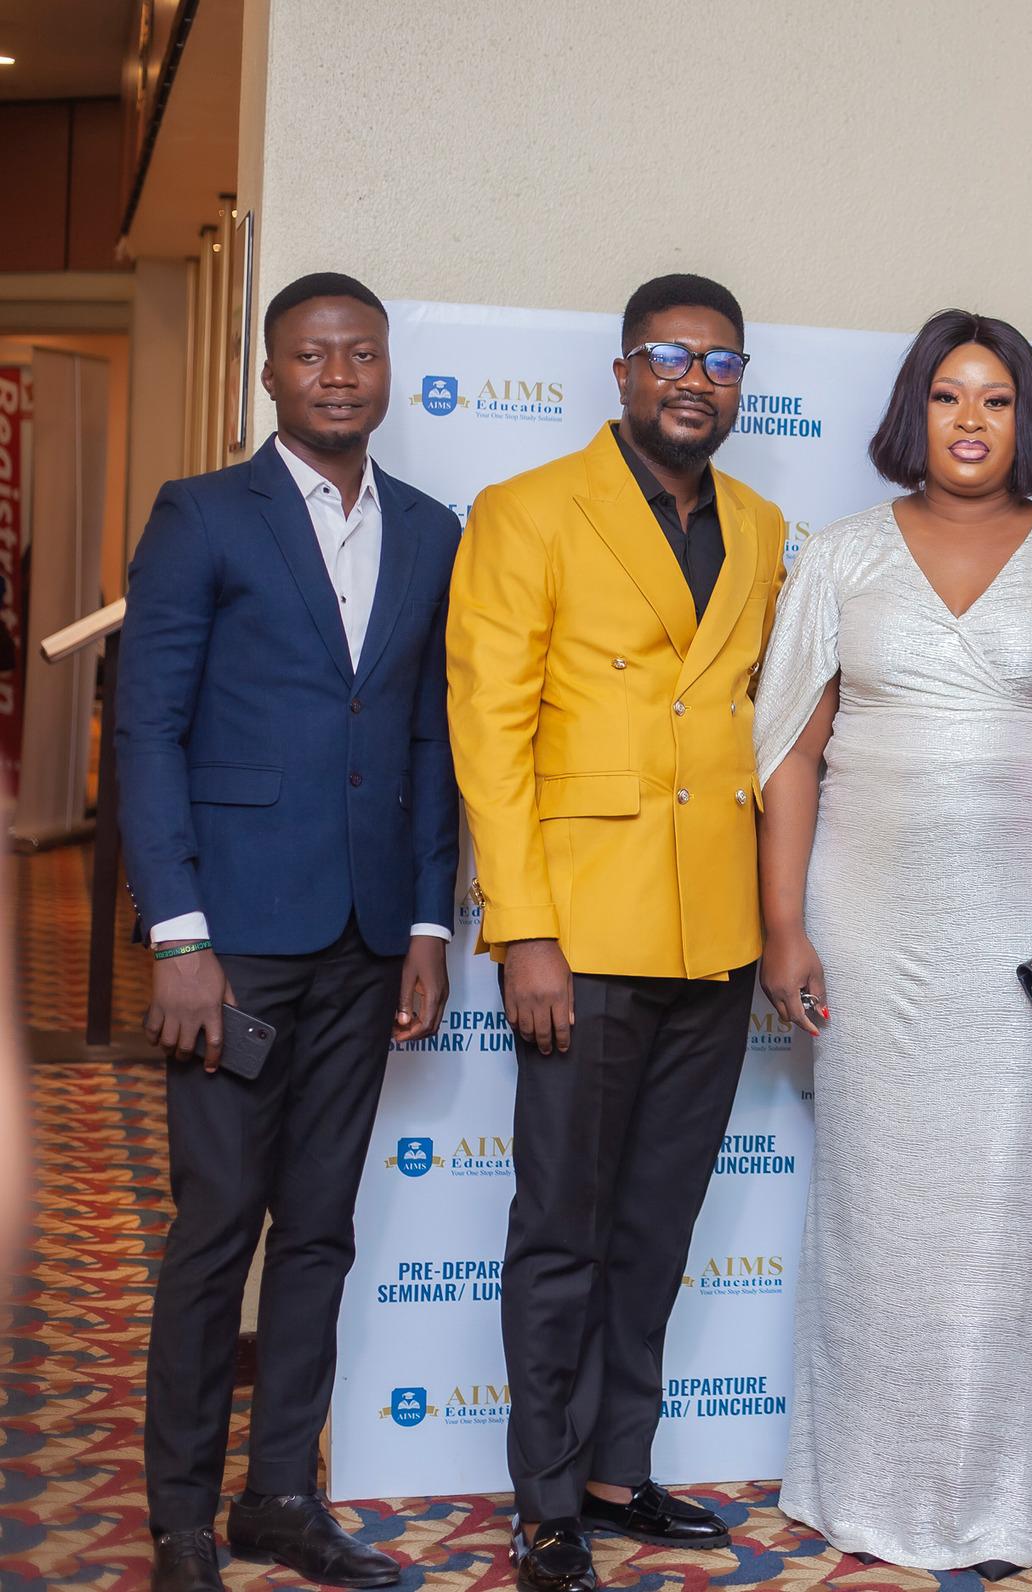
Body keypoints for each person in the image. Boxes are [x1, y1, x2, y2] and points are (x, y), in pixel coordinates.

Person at [753, 310, 1032, 1578]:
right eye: (948, 394)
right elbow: (788, 752)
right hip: (869, 926)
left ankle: (993, 1492)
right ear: (915, 411)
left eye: (995, 399)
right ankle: (864, 1481)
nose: (969, 420)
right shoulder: (838, 557)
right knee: (876, 1209)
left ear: (1026, 421)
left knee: (1001, 1214)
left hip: (1026, 933)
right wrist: (783, 925)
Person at [117, 272, 461, 1592]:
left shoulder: (429, 529)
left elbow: (425, 737)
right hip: (236, 944)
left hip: (367, 940)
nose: (336, 375)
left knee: (320, 1228)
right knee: (217, 1227)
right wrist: (179, 937)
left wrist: (427, 919)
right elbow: (148, 729)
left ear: (386, 373)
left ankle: (278, 1499)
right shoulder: (203, 515)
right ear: (269, 375)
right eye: (311, 355)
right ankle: (180, 1518)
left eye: (358, 354)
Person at [446, 273, 786, 1592]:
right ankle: (544, 1500)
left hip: (716, 932)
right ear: (623, 372)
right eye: (669, 355)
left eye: (721, 361)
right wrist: (523, 931)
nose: (695, 380)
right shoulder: (528, 510)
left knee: (657, 1223)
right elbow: (491, 735)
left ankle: (613, 1466)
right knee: (561, 1228)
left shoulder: (760, 525)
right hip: (580, 934)